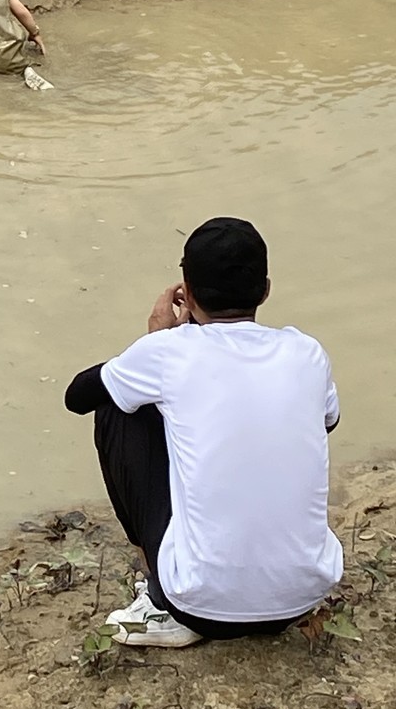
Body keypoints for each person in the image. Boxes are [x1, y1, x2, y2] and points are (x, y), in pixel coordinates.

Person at [65, 217, 343, 647]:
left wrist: (156, 339)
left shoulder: (169, 350)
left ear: (187, 293)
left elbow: (78, 395)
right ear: (265, 289)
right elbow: (328, 421)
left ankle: (159, 596)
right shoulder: (306, 352)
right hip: (302, 597)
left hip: (198, 606)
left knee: (117, 406)